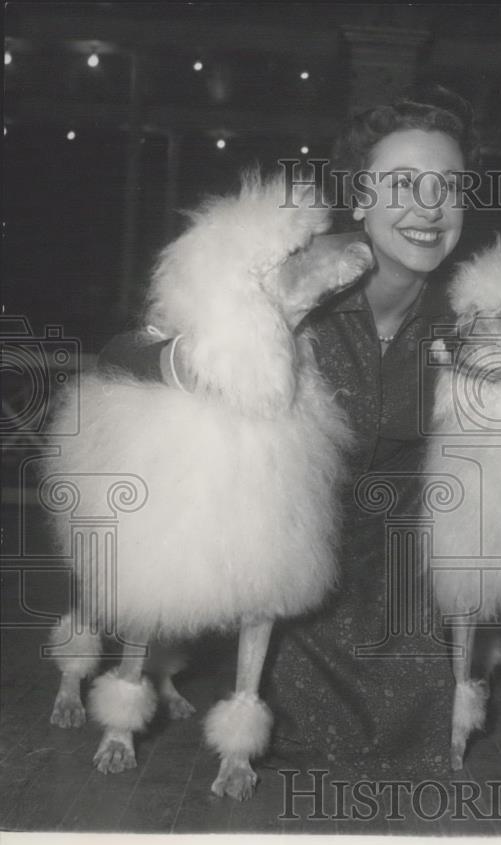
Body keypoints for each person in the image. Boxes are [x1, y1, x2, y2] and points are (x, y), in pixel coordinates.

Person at [98, 86, 478, 778]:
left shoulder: (467, 318)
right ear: (358, 200)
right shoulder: (295, 278)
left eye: (447, 187)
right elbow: (122, 353)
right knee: (297, 724)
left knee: (412, 741)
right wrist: (184, 362)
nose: (428, 206)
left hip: (398, 579)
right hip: (294, 567)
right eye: (402, 184)